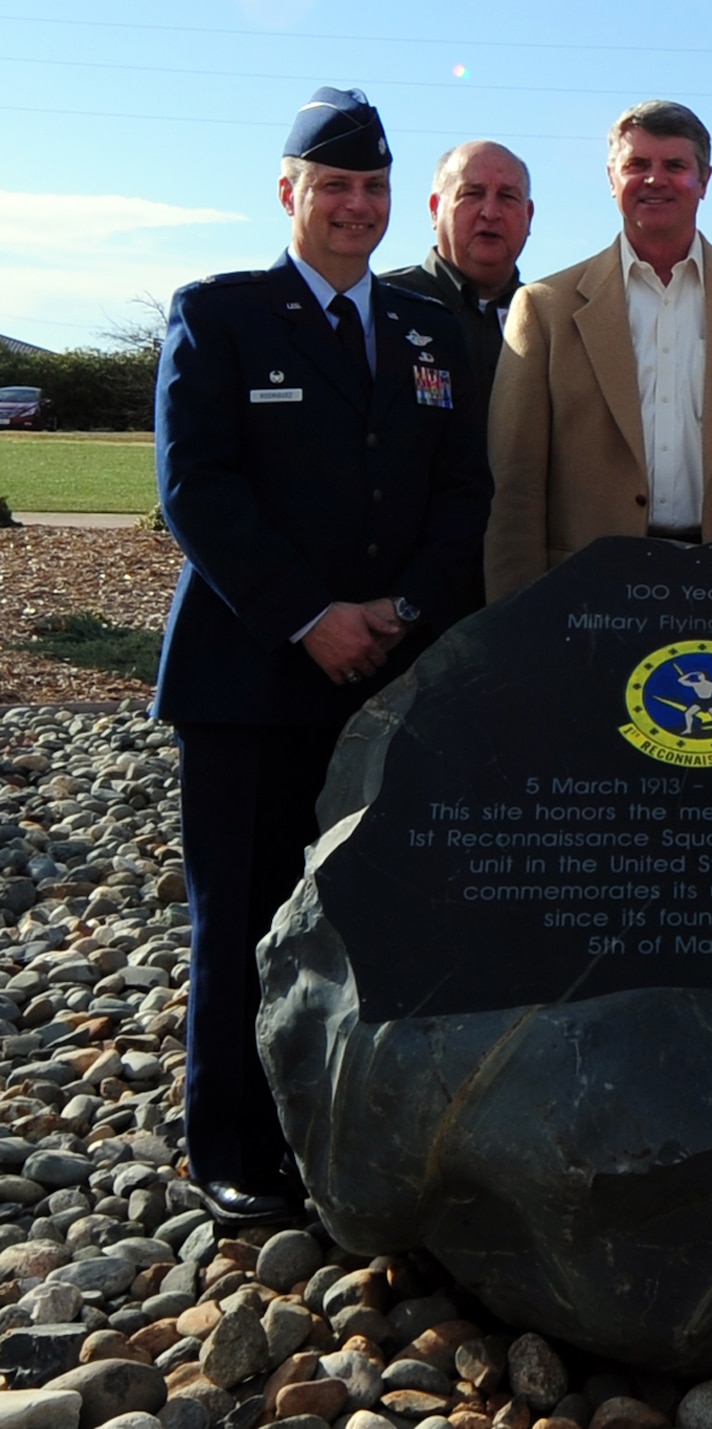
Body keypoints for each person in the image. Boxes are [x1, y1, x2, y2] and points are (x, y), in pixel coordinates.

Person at [153, 87, 491, 1225]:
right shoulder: (222, 314)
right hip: (251, 678)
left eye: (372, 188)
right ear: (288, 192)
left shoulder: (427, 331)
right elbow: (196, 489)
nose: (356, 206)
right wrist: (313, 614)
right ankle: (235, 1149)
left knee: (381, 916)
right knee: (243, 914)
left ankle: (362, 1133)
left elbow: (461, 492)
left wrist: (400, 605)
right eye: (334, 186)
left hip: (388, 673)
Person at [485, 101, 712, 600]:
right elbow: (516, 490)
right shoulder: (543, 309)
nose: (654, 180)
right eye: (637, 165)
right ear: (610, 177)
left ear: (705, 180)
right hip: (586, 593)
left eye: (675, 166)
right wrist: (512, 621)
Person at [382, 140, 535, 429]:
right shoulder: (380, 306)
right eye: (472, 194)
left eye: (507, 197)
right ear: (435, 209)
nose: (490, 212)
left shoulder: (553, 321)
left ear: (528, 216)